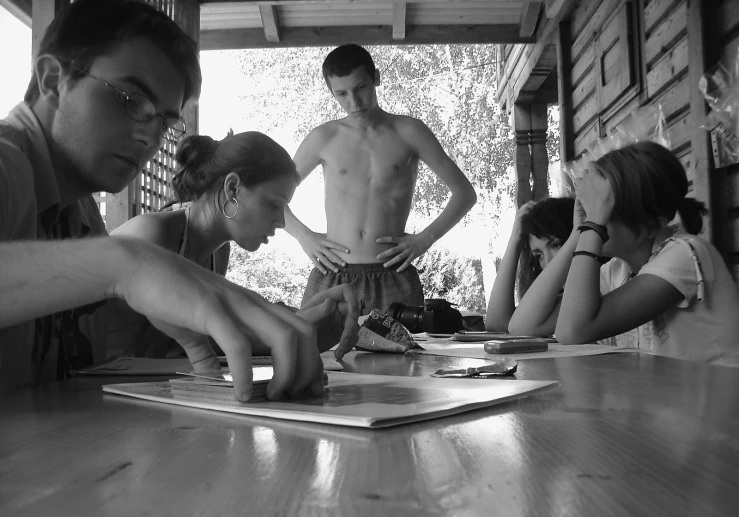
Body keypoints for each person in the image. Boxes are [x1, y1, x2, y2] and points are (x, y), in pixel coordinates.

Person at [0, 0, 358, 400]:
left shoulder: (77, 207)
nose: (151, 140)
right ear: (53, 80)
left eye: (166, 121)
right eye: (132, 101)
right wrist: (126, 262)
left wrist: (285, 326)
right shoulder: (7, 165)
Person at [108, 130, 359, 358]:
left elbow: (204, 338)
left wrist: (314, 321)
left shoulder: (218, 252)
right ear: (233, 188)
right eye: (273, 204)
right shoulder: (152, 234)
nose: (281, 222)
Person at [285, 43, 477, 315]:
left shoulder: (409, 131)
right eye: (341, 93)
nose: (354, 102)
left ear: (376, 78)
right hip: (333, 272)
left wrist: (425, 239)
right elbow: (272, 197)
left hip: (393, 273)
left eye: (361, 87)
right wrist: (303, 236)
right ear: (332, 93)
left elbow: (464, 194)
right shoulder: (323, 138)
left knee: (405, 357)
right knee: (315, 354)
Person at [509, 141, 739, 366]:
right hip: (674, 400)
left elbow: (572, 331)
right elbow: (524, 326)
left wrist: (592, 226)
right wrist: (575, 236)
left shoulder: (684, 254)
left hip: (720, 401)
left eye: (604, 211)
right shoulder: (617, 271)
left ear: (650, 226)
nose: (594, 221)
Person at [485, 197, 574, 333]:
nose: (549, 263)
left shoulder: (600, 285)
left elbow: (511, 329)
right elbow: (497, 326)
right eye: (539, 255)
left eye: (556, 245)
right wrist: (515, 241)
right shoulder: (565, 297)